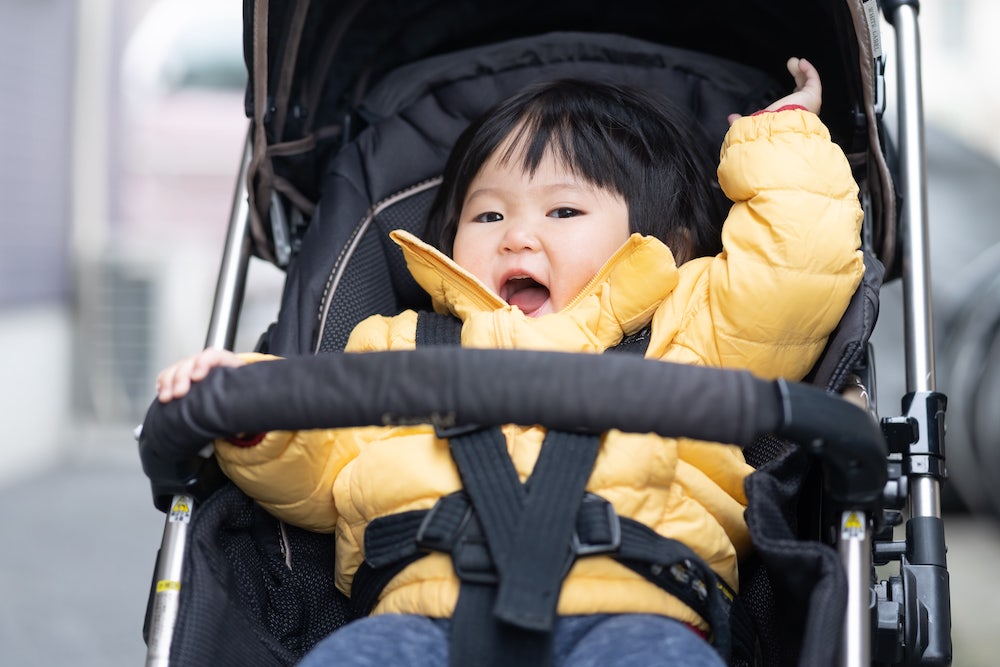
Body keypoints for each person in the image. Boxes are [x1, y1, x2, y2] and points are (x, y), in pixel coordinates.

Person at [156, 57, 864, 666]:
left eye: (563, 213)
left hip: (639, 606)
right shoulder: (396, 344)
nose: (518, 235)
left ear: (671, 244)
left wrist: (783, 136)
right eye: (488, 216)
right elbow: (317, 474)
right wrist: (254, 417)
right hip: (416, 617)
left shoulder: (693, 325)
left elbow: (795, 266)